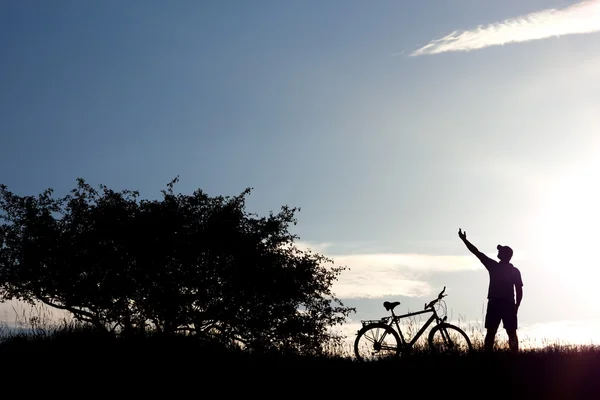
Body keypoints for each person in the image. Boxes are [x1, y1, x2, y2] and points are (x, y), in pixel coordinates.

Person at [458, 228, 523, 353]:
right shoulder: (514, 271)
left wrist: (464, 240)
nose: (498, 252)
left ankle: (488, 356)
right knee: (511, 333)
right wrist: (516, 306)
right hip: (508, 304)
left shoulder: (493, 266)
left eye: (500, 251)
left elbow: (477, 252)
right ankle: (514, 356)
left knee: (492, 332)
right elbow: (519, 291)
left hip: (495, 303)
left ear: (504, 255)